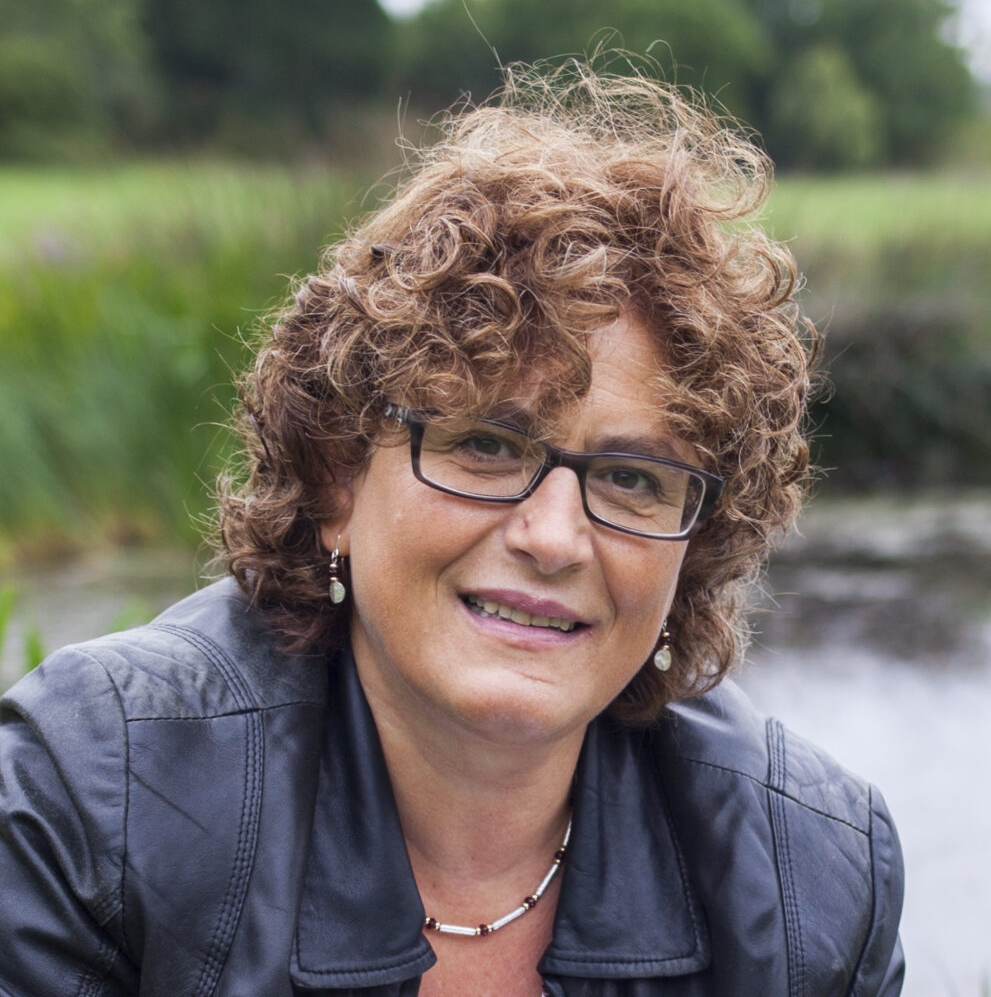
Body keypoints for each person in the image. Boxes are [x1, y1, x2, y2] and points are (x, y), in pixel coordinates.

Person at [0, 59, 904, 996]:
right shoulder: (99, 799)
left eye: (634, 477)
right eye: (486, 446)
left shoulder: (812, 881)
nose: (553, 538)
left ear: (696, 544)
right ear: (335, 476)